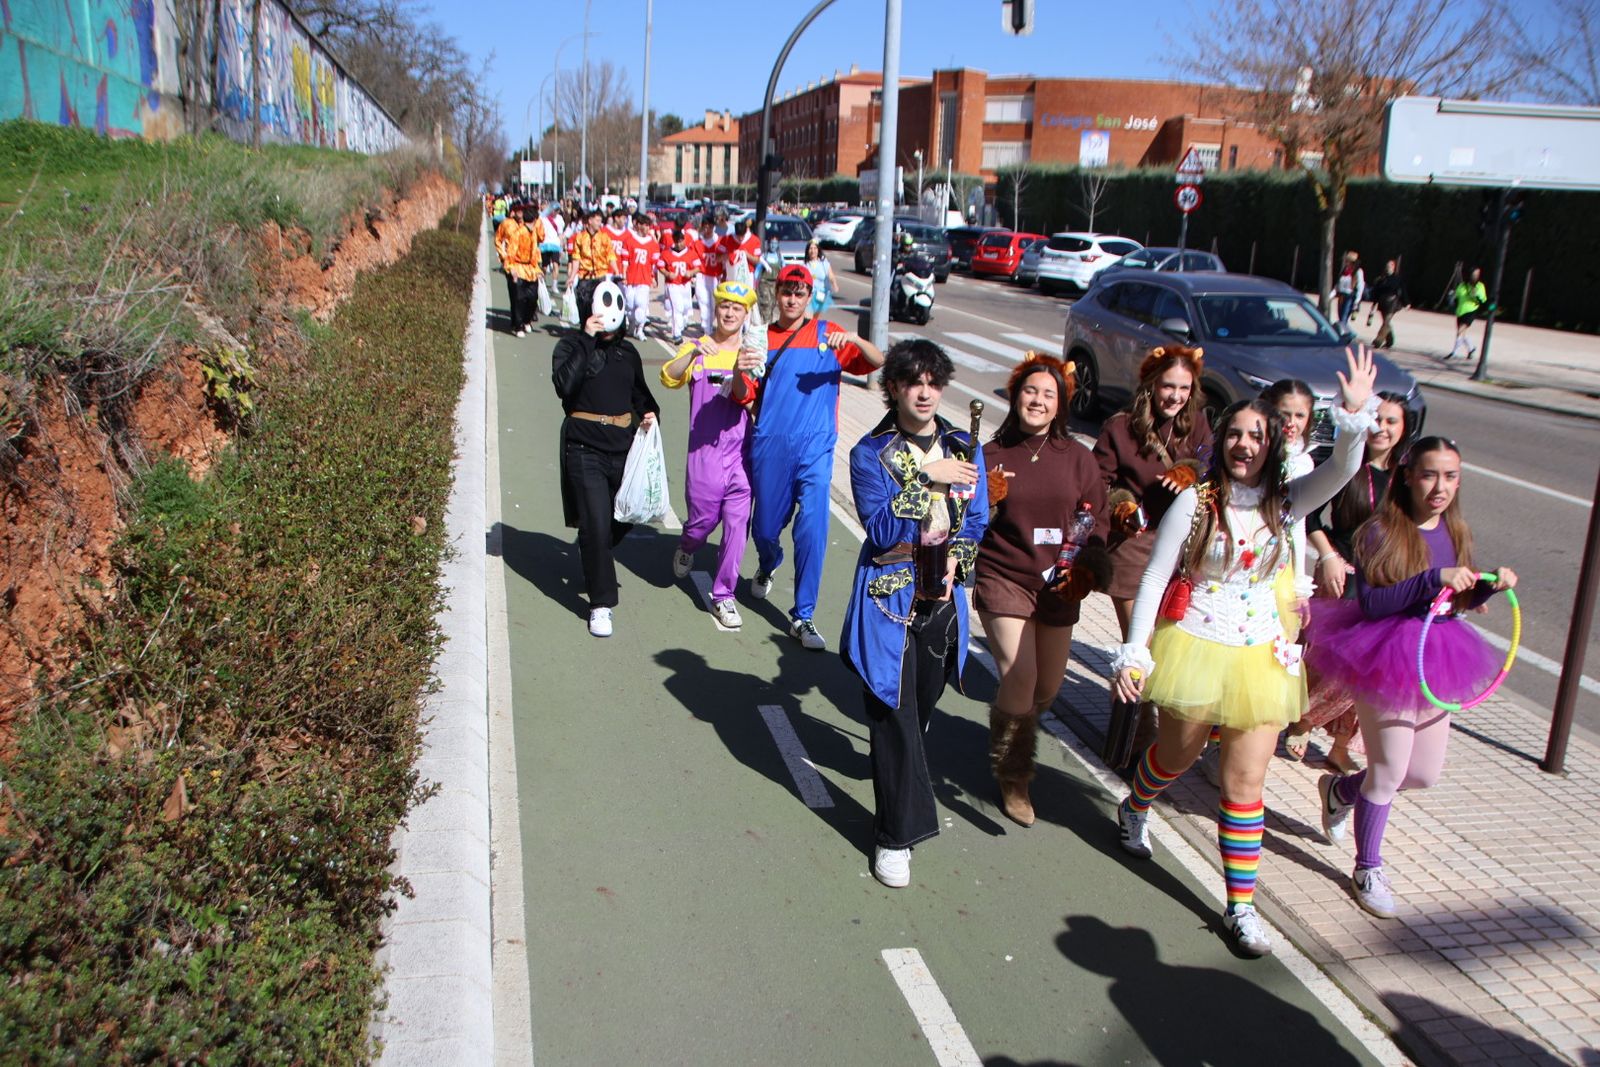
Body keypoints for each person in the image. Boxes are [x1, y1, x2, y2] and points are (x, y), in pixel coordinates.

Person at [1110, 346, 1378, 956]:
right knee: (1174, 756)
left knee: (1244, 782)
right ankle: (1136, 804)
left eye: (1257, 435)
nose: (1245, 444)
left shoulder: (1290, 500)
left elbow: (1340, 469)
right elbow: (1153, 578)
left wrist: (1354, 419)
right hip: (1197, 645)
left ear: (1272, 444)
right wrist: (1135, 650)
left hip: (1260, 658)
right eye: (1234, 433)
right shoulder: (1195, 501)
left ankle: (1240, 908)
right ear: (1221, 440)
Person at [1307, 438, 1516, 919]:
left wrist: (1484, 585)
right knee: (1388, 772)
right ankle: (1368, 867)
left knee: (1422, 774)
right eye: (1429, 475)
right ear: (1406, 475)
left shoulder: (1455, 529)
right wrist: (1432, 579)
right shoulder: (1381, 530)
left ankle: (1341, 791)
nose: (1440, 487)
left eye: (1450, 476)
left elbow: (1451, 599)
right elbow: (1372, 603)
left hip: (1437, 654)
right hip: (1386, 654)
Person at [839, 339, 987, 888]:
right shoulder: (868, 453)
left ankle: (898, 783)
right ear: (893, 388)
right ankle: (894, 838)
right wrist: (928, 479)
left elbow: (977, 522)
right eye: (912, 381)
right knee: (893, 714)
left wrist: (957, 564)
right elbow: (878, 533)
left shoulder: (963, 443)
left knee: (918, 713)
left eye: (933, 381)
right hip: (887, 599)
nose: (924, 392)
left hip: (943, 598)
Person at [976, 355, 1110, 825]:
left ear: (1060, 407)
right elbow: (969, 523)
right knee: (1021, 674)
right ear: (1016, 397)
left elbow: (1098, 520)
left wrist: (1088, 567)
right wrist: (981, 502)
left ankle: (1009, 726)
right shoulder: (991, 454)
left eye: (1048, 395)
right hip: (1003, 575)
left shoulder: (1078, 458)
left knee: (1047, 689)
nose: (1038, 400)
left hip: (1058, 586)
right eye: (1030, 391)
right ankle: (1014, 775)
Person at [732, 264, 885, 649]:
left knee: (813, 526)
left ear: (809, 295)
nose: (793, 298)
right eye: (787, 290)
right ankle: (769, 563)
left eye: (800, 292)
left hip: (816, 447)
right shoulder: (761, 337)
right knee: (765, 529)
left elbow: (877, 360)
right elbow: (741, 395)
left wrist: (851, 337)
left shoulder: (827, 333)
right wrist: (738, 368)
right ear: (778, 292)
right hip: (770, 445)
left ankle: (803, 616)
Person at [1093, 347, 1213, 764]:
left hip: (1179, 549)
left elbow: (1212, 468)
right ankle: (1132, 748)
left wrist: (1192, 472)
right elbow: (1098, 483)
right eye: (1167, 386)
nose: (1175, 396)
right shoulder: (1121, 427)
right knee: (1139, 647)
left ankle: (1161, 742)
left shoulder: (1196, 424)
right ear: (1150, 385)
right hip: (1133, 545)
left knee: (1167, 647)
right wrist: (1122, 505)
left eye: (1183, 388)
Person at [1301, 392, 1414, 771]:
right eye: (1377, 418)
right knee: (1326, 663)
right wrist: (1328, 556)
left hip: (1389, 583)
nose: (1381, 428)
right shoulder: (1344, 465)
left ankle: (1339, 744)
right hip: (1344, 574)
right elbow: (1309, 517)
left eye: (1391, 421)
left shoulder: (1408, 477)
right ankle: (1300, 717)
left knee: (1366, 672)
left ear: (1404, 429)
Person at [551, 278, 661, 638]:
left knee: (624, 518)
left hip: (623, 449)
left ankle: (592, 547)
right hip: (584, 448)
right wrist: (586, 337)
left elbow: (640, 394)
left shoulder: (627, 352)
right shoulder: (570, 346)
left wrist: (649, 412)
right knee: (597, 524)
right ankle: (601, 604)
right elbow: (564, 387)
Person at [660, 279, 757, 629]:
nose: (729, 313)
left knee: (736, 526)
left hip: (740, 456)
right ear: (714, 309)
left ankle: (724, 595)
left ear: (746, 314)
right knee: (701, 524)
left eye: (737, 308)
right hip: (703, 455)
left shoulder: (750, 353)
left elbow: (753, 400)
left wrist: (741, 371)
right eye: (724, 306)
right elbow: (667, 377)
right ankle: (687, 545)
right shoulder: (698, 347)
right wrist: (691, 353)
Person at [1258, 379, 1318, 759]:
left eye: (1300, 415)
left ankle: (1258, 731)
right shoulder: (1256, 447)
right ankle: (1215, 738)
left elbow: (1298, 525)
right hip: (1245, 562)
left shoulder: (1303, 461)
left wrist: (1298, 581)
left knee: (1274, 655)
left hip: (1279, 569)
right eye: (1285, 413)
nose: (1292, 422)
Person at [503, 203, 545, 337]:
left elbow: (535, 253)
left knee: (533, 298)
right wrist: (511, 269)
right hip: (519, 268)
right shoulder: (518, 233)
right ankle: (518, 326)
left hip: (531, 269)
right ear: (534, 220)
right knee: (519, 299)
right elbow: (510, 253)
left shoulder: (533, 234)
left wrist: (538, 270)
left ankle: (527, 321)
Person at [658, 226, 701, 346]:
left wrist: (691, 273)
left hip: (686, 285)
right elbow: (660, 266)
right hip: (673, 285)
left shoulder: (690, 253)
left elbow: (698, 267)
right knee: (678, 308)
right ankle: (676, 334)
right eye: (677, 240)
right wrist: (667, 273)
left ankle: (679, 327)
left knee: (686, 308)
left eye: (681, 240)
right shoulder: (667, 253)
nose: (679, 243)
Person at [620, 213, 662, 338]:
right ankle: (632, 326)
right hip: (631, 277)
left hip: (644, 279)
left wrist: (654, 278)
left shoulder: (653, 244)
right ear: (637, 225)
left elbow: (654, 265)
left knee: (641, 304)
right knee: (630, 306)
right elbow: (625, 261)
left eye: (647, 225)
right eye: (642, 225)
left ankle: (640, 329)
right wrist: (624, 276)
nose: (645, 228)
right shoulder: (629, 241)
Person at [694, 215, 726, 334]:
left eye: (710, 226)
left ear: (713, 227)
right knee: (703, 301)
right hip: (701, 276)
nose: (707, 229)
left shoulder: (719, 241)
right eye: (705, 226)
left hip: (715, 276)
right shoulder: (697, 243)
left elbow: (724, 261)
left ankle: (709, 324)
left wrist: (724, 275)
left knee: (713, 305)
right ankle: (706, 329)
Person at [1367, 260, 1407, 349]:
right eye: (1386, 266)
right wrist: (1374, 303)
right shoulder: (1381, 279)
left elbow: (1403, 291)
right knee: (1386, 322)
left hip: (1392, 303)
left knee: (1386, 322)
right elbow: (1376, 292)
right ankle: (1390, 341)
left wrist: (1406, 303)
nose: (1387, 268)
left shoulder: (1397, 279)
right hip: (1382, 302)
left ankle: (1379, 340)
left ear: (1393, 267)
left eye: (1389, 267)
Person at [1450, 267, 1487, 360]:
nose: (1475, 276)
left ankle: (1454, 352)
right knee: (1462, 333)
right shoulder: (1462, 286)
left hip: (1471, 310)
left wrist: (1476, 295)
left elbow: (1483, 300)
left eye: (1477, 274)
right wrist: (1452, 296)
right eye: (1474, 274)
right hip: (1461, 311)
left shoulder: (1479, 286)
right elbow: (1457, 297)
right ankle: (1471, 349)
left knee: (1460, 331)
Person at [572, 208, 618, 282]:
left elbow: (611, 256)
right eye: (597, 221)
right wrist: (572, 276)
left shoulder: (604, 237)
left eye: (600, 221)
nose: (599, 224)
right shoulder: (580, 237)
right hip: (584, 277)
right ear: (590, 221)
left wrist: (616, 271)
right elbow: (576, 258)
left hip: (601, 276)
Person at [1334, 251, 1364, 332]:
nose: (1346, 262)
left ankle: (1344, 334)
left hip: (1350, 296)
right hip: (1341, 295)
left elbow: (1360, 286)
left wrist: (1357, 300)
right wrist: (1333, 293)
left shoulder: (1358, 271)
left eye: (1347, 261)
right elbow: (1338, 283)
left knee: (1344, 317)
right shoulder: (1345, 270)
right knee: (1340, 317)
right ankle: (1343, 332)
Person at [804, 239, 834, 317]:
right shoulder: (805, 265)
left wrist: (834, 284)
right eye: (810, 248)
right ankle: (809, 328)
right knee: (808, 316)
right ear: (807, 251)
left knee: (816, 316)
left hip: (821, 294)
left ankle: (813, 328)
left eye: (815, 248)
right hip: (809, 294)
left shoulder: (823, 263)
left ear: (818, 250)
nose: (812, 251)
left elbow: (830, 275)